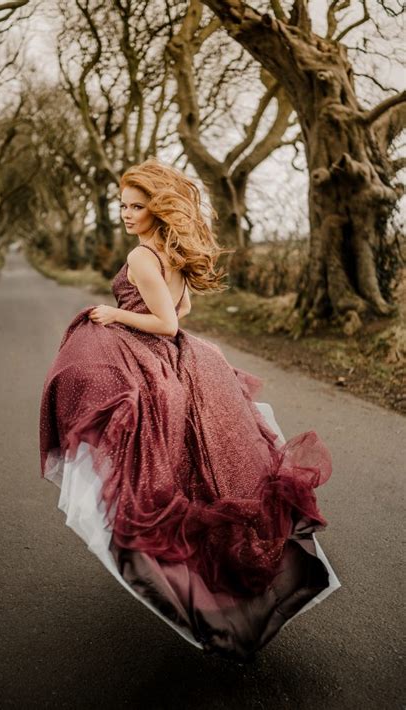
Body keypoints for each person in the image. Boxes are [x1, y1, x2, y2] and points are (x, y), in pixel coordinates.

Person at [39, 157, 340, 662]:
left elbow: (168, 325)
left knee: (148, 463)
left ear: (157, 209)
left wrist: (114, 314)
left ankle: (191, 596)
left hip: (161, 356)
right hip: (184, 361)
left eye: (136, 205)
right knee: (201, 472)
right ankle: (215, 596)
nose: (127, 213)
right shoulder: (169, 253)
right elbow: (185, 309)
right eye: (123, 204)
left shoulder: (142, 256)